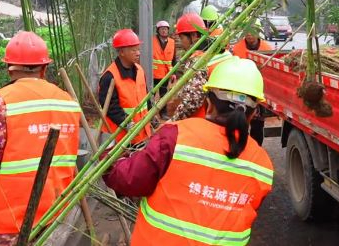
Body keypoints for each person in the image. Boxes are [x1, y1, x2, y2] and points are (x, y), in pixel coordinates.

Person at [103, 57, 274, 245]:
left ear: (208, 103)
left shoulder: (176, 136)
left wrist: (109, 162)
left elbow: (131, 180)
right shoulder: (263, 165)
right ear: (254, 112)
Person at [0, 31, 82, 245]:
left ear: (10, 68)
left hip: (8, 225)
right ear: (44, 68)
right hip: (56, 219)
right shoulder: (68, 103)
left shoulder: (0, 104)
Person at [168, 13, 235, 120]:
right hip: (228, 114)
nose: (181, 42)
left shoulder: (198, 60)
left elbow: (192, 101)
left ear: (194, 36)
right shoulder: (222, 51)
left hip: (205, 119)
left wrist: (173, 121)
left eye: (182, 38)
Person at [97, 28, 153, 145]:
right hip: (121, 140)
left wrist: (151, 116)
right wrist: (127, 123)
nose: (138, 53)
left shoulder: (139, 70)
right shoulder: (109, 77)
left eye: (138, 49)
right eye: (133, 50)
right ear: (121, 52)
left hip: (141, 134)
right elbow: (111, 108)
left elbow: (145, 98)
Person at [152, 20, 177, 104]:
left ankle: (163, 112)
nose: (164, 31)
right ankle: (149, 112)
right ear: (158, 30)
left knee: (164, 94)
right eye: (162, 29)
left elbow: (174, 59)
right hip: (154, 74)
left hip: (166, 73)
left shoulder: (172, 42)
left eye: (165, 29)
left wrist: (174, 73)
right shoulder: (152, 41)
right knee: (151, 94)